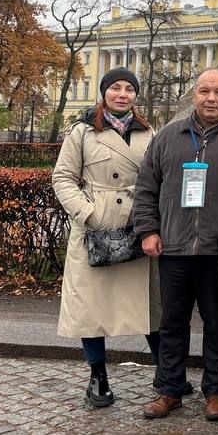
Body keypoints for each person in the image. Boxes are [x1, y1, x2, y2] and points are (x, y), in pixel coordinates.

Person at [133, 69, 218, 421]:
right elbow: (146, 187)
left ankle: (216, 391)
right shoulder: (168, 137)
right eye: (205, 91)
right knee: (172, 322)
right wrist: (148, 230)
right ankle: (169, 389)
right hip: (173, 247)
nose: (211, 98)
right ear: (194, 94)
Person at [53, 67, 163, 408]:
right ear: (104, 92)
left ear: (136, 95)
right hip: (96, 230)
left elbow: (160, 178)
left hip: (138, 225)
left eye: (129, 89)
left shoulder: (149, 133)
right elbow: (63, 178)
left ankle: (166, 374)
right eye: (115, 87)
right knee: (91, 306)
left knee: (150, 304)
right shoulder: (82, 132)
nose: (122, 94)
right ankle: (97, 376)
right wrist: (89, 213)